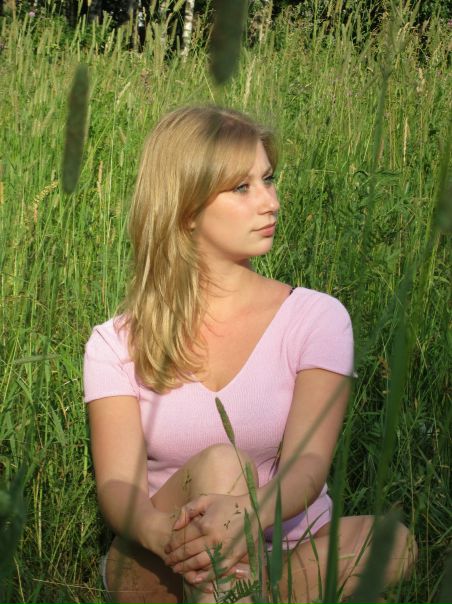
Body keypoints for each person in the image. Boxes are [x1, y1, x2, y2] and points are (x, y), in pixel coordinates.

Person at [83, 105, 417, 604]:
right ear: (186, 207)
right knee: (223, 463)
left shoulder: (317, 318)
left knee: (394, 541)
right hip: (165, 554)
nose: (271, 202)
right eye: (242, 187)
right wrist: (166, 535)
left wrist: (245, 519)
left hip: (288, 546)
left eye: (268, 179)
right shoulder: (116, 342)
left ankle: (244, 592)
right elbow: (118, 485)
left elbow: (307, 465)